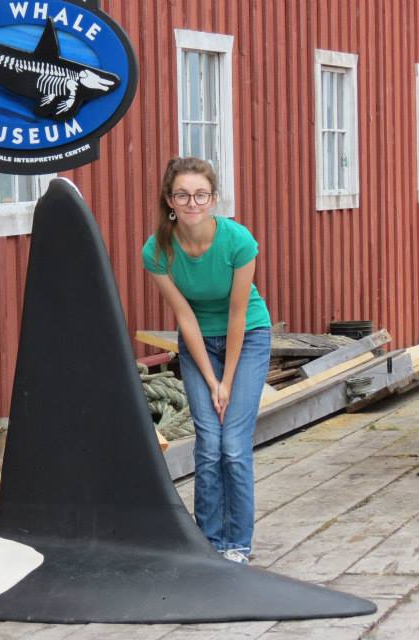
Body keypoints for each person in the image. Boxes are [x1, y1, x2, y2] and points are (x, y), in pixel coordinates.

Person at [141, 156, 272, 564]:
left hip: (246, 337)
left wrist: (226, 381)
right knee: (209, 445)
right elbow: (184, 317)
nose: (192, 203)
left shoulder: (237, 241)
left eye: (201, 195)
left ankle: (238, 545)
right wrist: (210, 380)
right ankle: (210, 544)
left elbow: (237, 314)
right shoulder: (157, 251)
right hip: (198, 340)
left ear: (213, 199)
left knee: (233, 445)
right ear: (169, 200)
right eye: (182, 195)